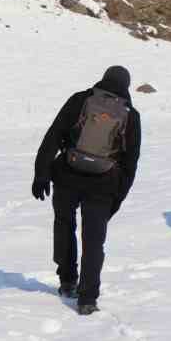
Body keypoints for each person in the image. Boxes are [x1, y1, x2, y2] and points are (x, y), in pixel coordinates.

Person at [32, 66, 143, 315]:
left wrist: (41, 173)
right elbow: (130, 162)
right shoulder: (130, 115)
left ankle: (68, 280)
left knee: (64, 225)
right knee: (93, 241)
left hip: (67, 176)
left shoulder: (81, 100)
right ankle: (87, 299)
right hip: (104, 185)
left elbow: (54, 135)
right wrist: (118, 197)